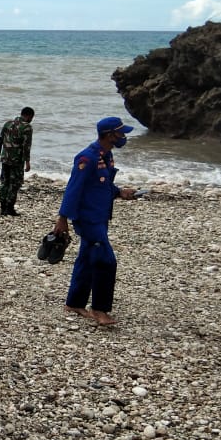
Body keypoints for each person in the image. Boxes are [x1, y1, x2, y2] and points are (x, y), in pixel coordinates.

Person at [53, 116, 139, 327]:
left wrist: (120, 192)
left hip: (100, 217)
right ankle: (100, 310)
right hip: (88, 219)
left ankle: (74, 303)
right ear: (110, 135)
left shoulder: (106, 156)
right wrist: (62, 219)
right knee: (105, 261)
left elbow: (102, 186)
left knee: (86, 258)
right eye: (121, 133)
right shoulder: (87, 158)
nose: (123, 137)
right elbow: (73, 189)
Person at [0, 106, 35, 216]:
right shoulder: (27, 127)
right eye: (32, 117)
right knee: (14, 184)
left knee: (5, 182)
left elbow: (0, 139)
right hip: (17, 161)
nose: (31, 120)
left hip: (5, 158)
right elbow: (26, 146)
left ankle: (2, 207)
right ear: (29, 116)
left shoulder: (8, 124)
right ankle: (9, 208)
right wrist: (27, 162)